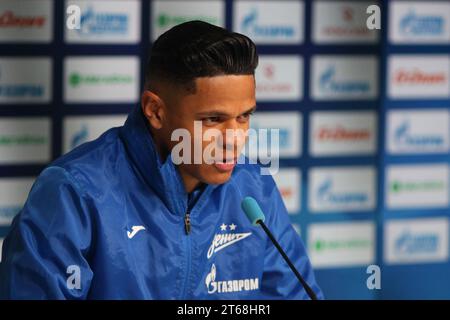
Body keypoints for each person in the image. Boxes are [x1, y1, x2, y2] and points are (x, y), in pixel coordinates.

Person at [0, 21, 323, 299]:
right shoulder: (75, 191)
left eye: (244, 117)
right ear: (156, 111)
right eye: (212, 120)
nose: (234, 138)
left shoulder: (255, 187)